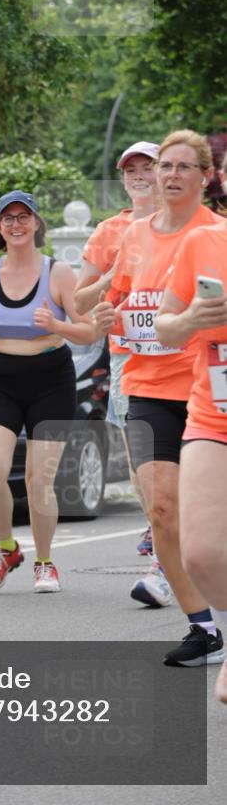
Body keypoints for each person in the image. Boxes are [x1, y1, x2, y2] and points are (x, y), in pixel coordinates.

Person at [97, 129, 224, 668]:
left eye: (181, 167)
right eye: (164, 166)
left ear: (204, 177)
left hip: (200, 386)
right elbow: (120, 300)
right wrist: (107, 315)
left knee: (203, 520)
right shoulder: (134, 235)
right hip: (147, 387)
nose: (169, 176)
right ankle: (203, 627)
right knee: (163, 511)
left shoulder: (213, 234)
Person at [0, 190, 110, 594]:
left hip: (50, 379)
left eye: (24, 216)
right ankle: (6, 549)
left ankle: (44, 561)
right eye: (8, 218)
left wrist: (56, 325)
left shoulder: (58, 273)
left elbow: (89, 329)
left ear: (37, 223)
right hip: (1, 379)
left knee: (38, 481)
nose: (17, 224)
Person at [74, 141, 170, 609]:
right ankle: (162, 543)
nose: (138, 175)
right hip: (131, 361)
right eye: (130, 168)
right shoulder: (109, 231)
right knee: (142, 465)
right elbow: (79, 302)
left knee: (188, 465)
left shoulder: (191, 228)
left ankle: (171, 543)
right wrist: (110, 279)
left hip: (185, 360)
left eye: (146, 167)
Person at [155, 153, 227, 701]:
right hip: (213, 411)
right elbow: (166, 328)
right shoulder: (203, 243)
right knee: (200, 552)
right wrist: (190, 321)